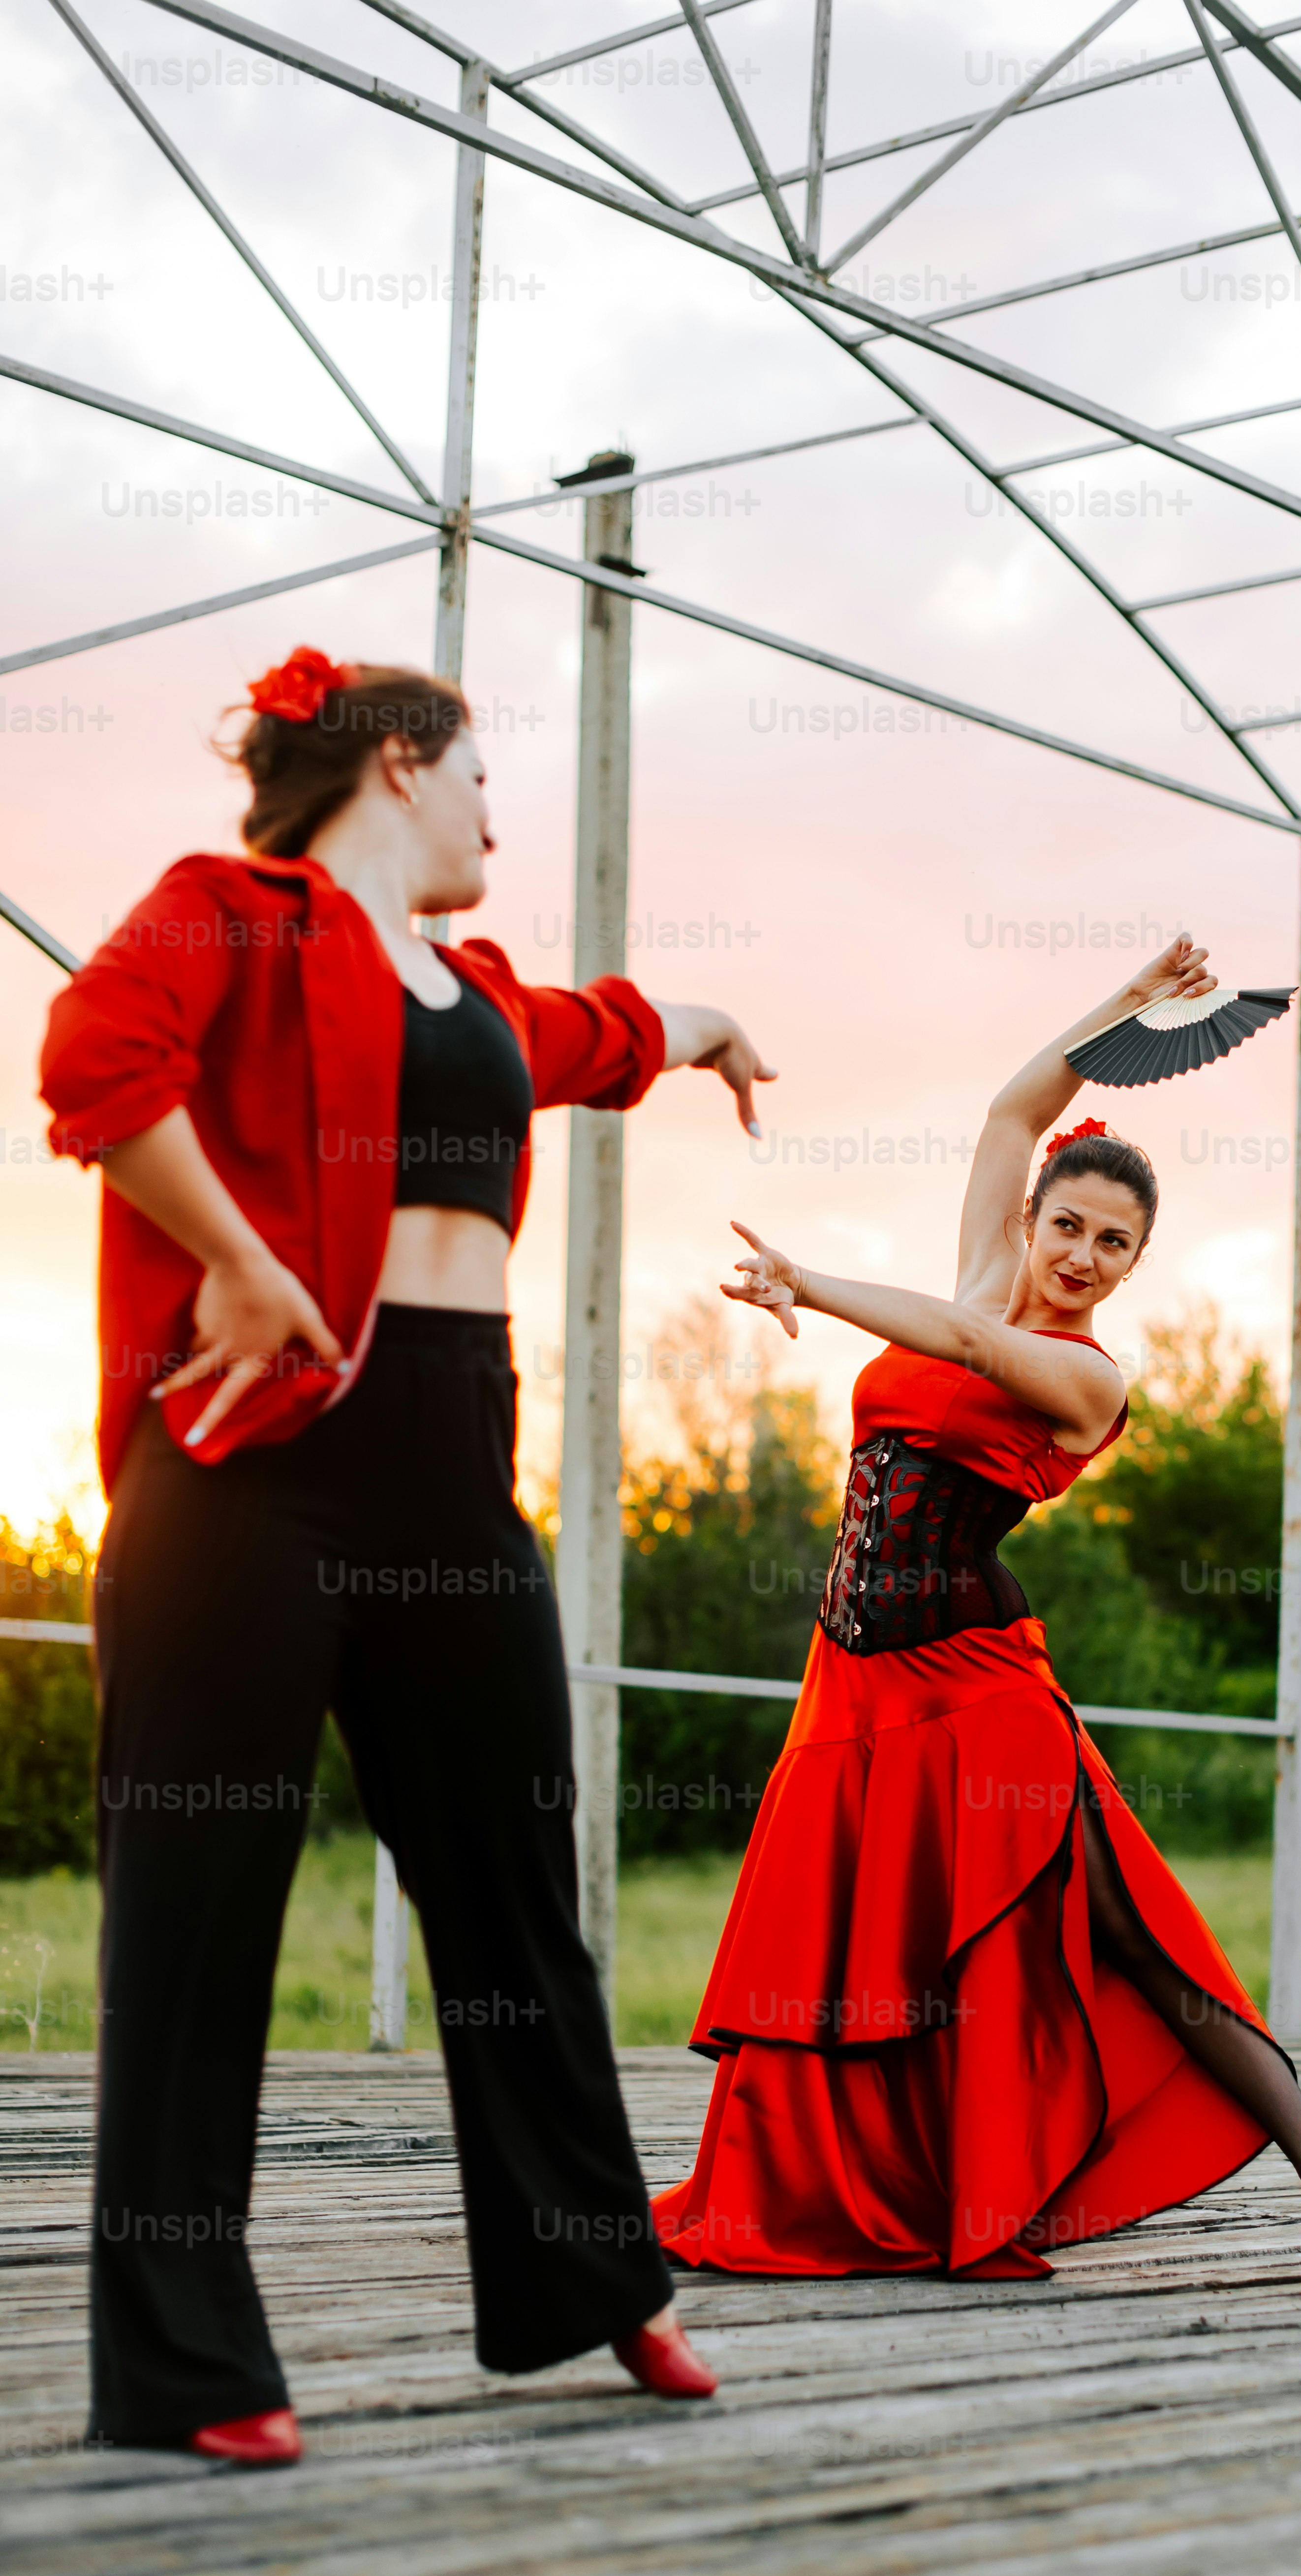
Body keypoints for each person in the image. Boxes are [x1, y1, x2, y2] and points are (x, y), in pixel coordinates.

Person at [40, 647, 770, 2462]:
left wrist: (703, 1026)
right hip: (254, 1473)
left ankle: (600, 2283)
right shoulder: (237, 914)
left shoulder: (482, 993)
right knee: (200, 1911)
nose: (498, 811)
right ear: (394, 763)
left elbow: (599, 1037)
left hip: (455, 1473)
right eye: (478, 773)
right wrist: (240, 1251)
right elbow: (94, 1062)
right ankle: (190, 2368)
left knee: (518, 1887)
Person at [653, 938, 1301, 2296]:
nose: (1081, 1253)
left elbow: (960, 1353)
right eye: (1066, 1223)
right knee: (852, 1941)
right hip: (855, 1685)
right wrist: (1131, 1005)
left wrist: (811, 1283)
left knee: (1131, 1929)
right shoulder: (977, 1266)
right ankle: (844, 2190)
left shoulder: (1083, 1376)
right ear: (1036, 1221)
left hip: (980, 1691)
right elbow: (1015, 1109)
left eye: (1113, 1243)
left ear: (1134, 1265)